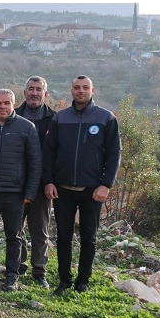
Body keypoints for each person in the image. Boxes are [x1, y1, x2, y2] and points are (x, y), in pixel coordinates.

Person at [43, 75, 121, 295]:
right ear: (71, 90)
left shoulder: (106, 118)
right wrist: (48, 181)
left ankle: (82, 281)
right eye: (77, 88)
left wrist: (106, 184)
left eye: (85, 88)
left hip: (92, 190)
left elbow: (114, 154)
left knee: (89, 238)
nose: (81, 91)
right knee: (63, 237)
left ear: (92, 90)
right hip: (62, 189)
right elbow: (49, 152)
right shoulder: (60, 118)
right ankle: (64, 281)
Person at [0, 89, 41, 291]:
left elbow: (35, 163)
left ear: (13, 104)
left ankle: (12, 274)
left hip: (15, 193)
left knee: (14, 235)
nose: (2, 106)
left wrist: (29, 192)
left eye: (6, 103)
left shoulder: (27, 128)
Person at [14, 76, 55, 288]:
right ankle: (19, 264)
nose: (34, 93)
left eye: (39, 89)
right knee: (15, 228)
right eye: (31, 89)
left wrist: (51, 181)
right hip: (16, 184)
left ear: (45, 94)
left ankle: (40, 270)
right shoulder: (14, 116)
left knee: (40, 230)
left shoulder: (55, 120)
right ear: (24, 93)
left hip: (42, 185)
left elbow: (57, 154)